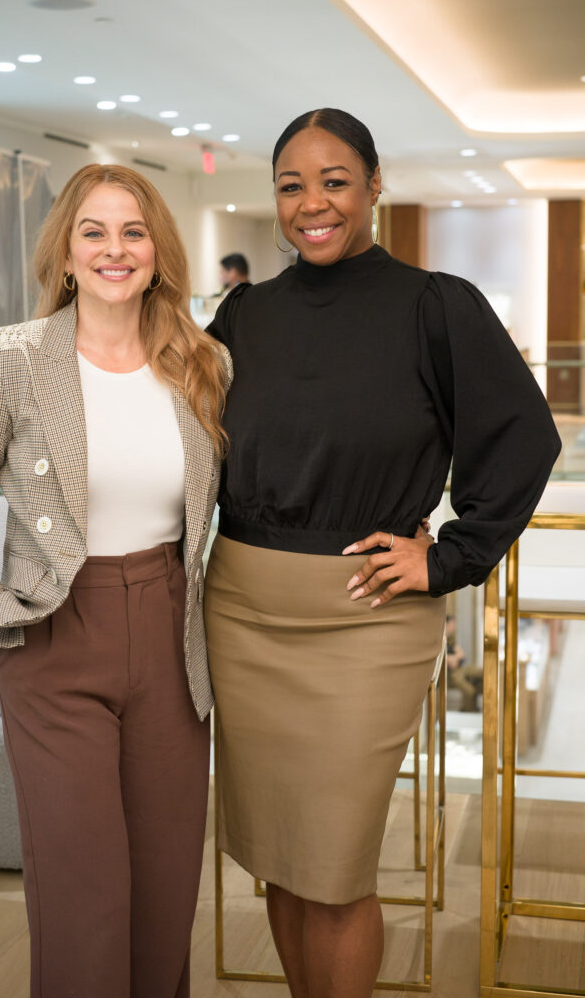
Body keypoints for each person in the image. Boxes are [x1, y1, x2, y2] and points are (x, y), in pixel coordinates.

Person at [204, 108, 560, 998]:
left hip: (365, 620)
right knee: (280, 863)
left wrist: (447, 557)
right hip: (242, 613)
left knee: (334, 868)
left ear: (372, 186)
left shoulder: (435, 306)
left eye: (334, 181)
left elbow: (525, 438)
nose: (312, 202)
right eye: (292, 184)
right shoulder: (246, 315)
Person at [0, 163, 231, 998]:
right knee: (82, 892)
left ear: (158, 251)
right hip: (55, 636)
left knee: (168, 889)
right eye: (93, 231)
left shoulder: (202, 363)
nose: (114, 249)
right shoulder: (10, 357)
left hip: (173, 638)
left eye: (133, 231)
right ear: (64, 251)